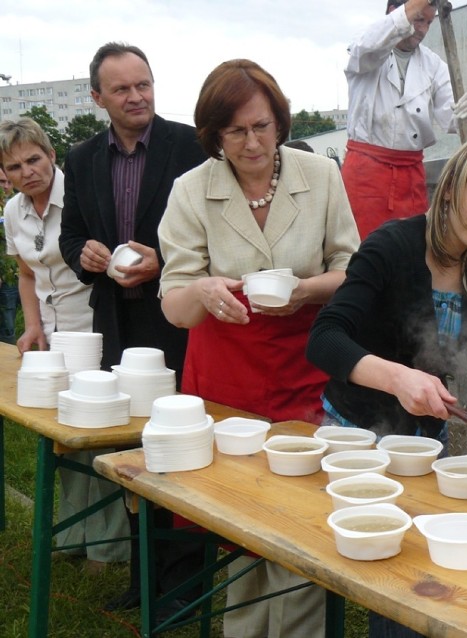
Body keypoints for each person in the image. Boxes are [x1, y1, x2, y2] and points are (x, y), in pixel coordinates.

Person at [308, 134, 467, 637]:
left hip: (421, 445)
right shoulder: (389, 247)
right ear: (454, 185)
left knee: (417, 576)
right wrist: (397, 377)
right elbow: (325, 339)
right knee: (375, 565)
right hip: (357, 437)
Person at [158, 58, 360, 638]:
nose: (252, 143)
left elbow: (351, 267)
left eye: (262, 127)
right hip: (226, 370)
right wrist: (204, 289)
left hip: (307, 362)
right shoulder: (191, 191)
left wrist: (305, 291)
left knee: (305, 513)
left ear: (280, 122)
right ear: (214, 134)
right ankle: (243, 627)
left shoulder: (319, 174)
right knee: (238, 519)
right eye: (236, 131)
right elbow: (173, 303)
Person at [58, 42, 208, 619]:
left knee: (181, 446)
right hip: (116, 326)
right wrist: (86, 255)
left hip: (177, 322)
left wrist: (165, 263)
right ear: (98, 98)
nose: (136, 96)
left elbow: (210, 235)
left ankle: (186, 588)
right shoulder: (82, 158)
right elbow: (71, 235)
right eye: (121, 89)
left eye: (143, 83)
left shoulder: (191, 146)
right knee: (129, 450)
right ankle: (144, 578)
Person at [0, 118, 130, 570]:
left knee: (99, 437)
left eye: (33, 159)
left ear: (51, 155)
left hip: (93, 331)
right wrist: (32, 326)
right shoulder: (14, 211)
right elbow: (26, 272)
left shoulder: (78, 194)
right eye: (14, 166)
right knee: (65, 441)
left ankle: (110, 549)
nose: (27, 171)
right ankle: (72, 537)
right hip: (52, 339)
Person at [342, 0, 467, 239]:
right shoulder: (364, 48)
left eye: (429, 22)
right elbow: (368, 46)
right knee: (361, 253)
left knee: (411, 251)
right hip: (365, 173)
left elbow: (452, 120)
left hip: (411, 176)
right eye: (418, 19)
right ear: (396, 13)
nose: (423, 29)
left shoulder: (434, 65)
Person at [0, 166, 19, 345]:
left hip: (14, 275)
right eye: (1, 182)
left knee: (8, 322)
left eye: (9, 182)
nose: (6, 186)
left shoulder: (16, 205)